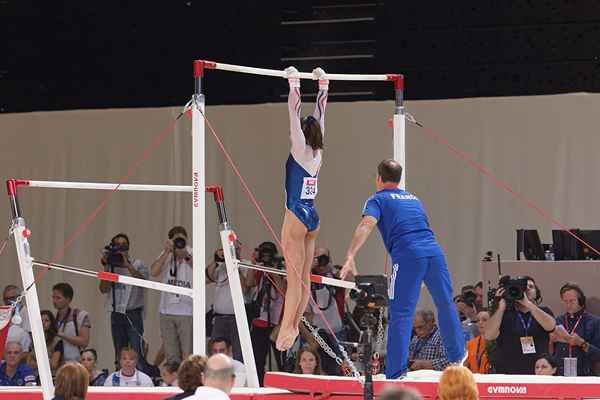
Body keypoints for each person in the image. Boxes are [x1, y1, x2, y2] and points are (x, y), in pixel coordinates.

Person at [340, 159, 465, 379]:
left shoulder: (377, 199)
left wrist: (351, 255)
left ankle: (396, 372)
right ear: (399, 179)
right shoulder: (414, 199)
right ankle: (457, 357)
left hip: (409, 255)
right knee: (445, 303)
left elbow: (366, 224)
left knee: (401, 314)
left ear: (378, 178)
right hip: (434, 252)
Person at [276, 66, 329, 351]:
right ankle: (293, 325)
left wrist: (294, 82)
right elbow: (321, 112)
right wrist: (323, 85)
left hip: (295, 215)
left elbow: (293, 113)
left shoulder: (300, 148)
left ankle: (288, 329)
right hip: (311, 216)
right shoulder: (318, 152)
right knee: (303, 279)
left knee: (293, 280)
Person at [485, 276, 558, 374]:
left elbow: (550, 326)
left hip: (537, 371)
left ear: (537, 293)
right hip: (508, 371)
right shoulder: (504, 313)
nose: (527, 289)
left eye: (531, 287)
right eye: (523, 287)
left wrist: (528, 304)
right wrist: (500, 307)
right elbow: (489, 335)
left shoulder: (543, 311)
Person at [98, 233, 150, 372]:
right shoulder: (111, 266)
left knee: (136, 350)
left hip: (133, 313)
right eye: (117, 246)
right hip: (116, 313)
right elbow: (103, 289)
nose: (121, 249)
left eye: (124, 246)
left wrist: (128, 265)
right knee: (119, 351)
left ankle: (140, 379)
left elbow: (144, 282)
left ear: (129, 248)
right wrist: (107, 268)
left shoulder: (138, 264)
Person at [151, 226, 193, 363]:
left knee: (188, 354)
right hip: (166, 311)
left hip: (187, 311)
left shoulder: (192, 252)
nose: (180, 243)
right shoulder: (166, 254)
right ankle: (173, 381)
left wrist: (186, 256)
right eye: (176, 240)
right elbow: (154, 272)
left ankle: (188, 380)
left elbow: (201, 272)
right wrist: (167, 252)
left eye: (182, 239)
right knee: (171, 354)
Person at [207, 242, 247, 362]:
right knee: (215, 352)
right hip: (219, 318)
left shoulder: (245, 265)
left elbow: (246, 286)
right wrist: (216, 259)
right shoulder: (220, 266)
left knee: (238, 354)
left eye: (233, 249)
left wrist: (235, 266)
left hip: (237, 318)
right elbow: (207, 278)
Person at [553, 282, 600, 376]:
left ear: (580, 301)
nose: (568, 305)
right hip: (561, 374)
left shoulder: (594, 322)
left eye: (572, 301)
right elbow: (551, 353)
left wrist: (581, 343)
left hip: (584, 375)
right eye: (565, 301)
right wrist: (550, 341)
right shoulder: (558, 320)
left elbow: (598, 354)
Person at [52, 283, 91, 363]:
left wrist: (61, 334)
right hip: (58, 366)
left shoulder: (80, 315)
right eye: (53, 297)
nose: (54, 301)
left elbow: (84, 342)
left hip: (76, 364)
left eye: (58, 298)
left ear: (68, 299)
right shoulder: (52, 318)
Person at [463, 309, 490, 374]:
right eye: (478, 320)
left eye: (484, 320)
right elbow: (464, 367)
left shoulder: (498, 344)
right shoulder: (470, 343)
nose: (480, 322)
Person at [41, 309, 63, 374]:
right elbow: (29, 362)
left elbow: (54, 364)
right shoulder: (34, 339)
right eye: (41, 320)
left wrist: (36, 364)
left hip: (51, 376)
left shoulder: (57, 340)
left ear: (51, 323)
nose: (43, 323)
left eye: (46, 320)